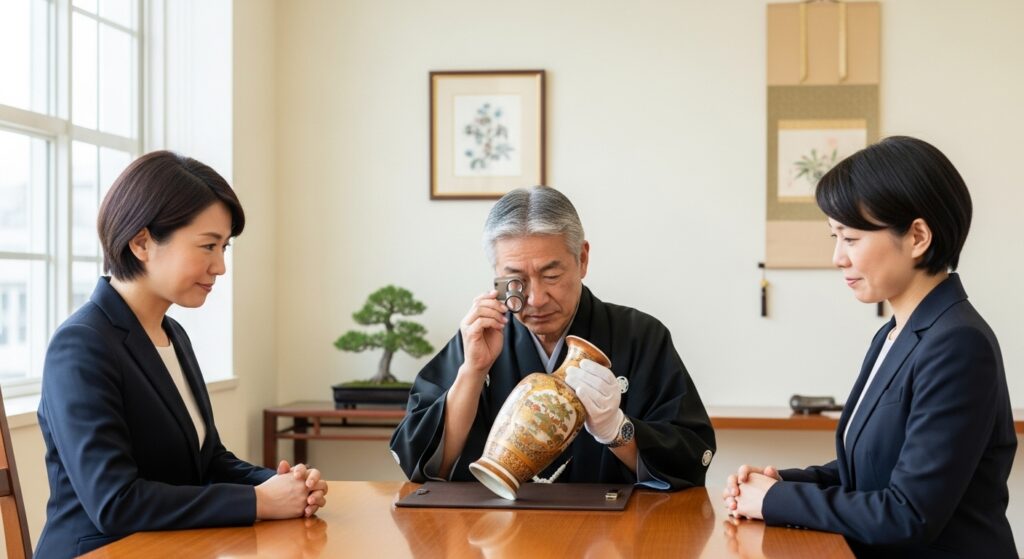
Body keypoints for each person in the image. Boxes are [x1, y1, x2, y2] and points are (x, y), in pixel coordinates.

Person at [723, 136, 1017, 557]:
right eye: (834, 237)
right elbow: (870, 472)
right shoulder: (895, 333)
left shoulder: (958, 344)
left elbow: (907, 514)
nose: (837, 257)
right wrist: (782, 484)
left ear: (917, 236)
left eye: (851, 238)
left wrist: (773, 501)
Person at [36, 151, 328, 558]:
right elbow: (115, 503)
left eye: (224, 247)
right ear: (141, 242)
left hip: (175, 547)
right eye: (208, 246)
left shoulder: (173, 334)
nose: (221, 267)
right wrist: (259, 503)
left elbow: (208, 462)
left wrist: (282, 484)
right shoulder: (81, 345)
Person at [390, 186, 715, 489]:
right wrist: (472, 373)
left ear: (582, 259)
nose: (536, 298)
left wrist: (618, 431)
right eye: (515, 280)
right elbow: (420, 463)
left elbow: (689, 456)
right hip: (496, 536)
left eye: (551, 275)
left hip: (609, 539)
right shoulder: (482, 338)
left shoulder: (641, 336)